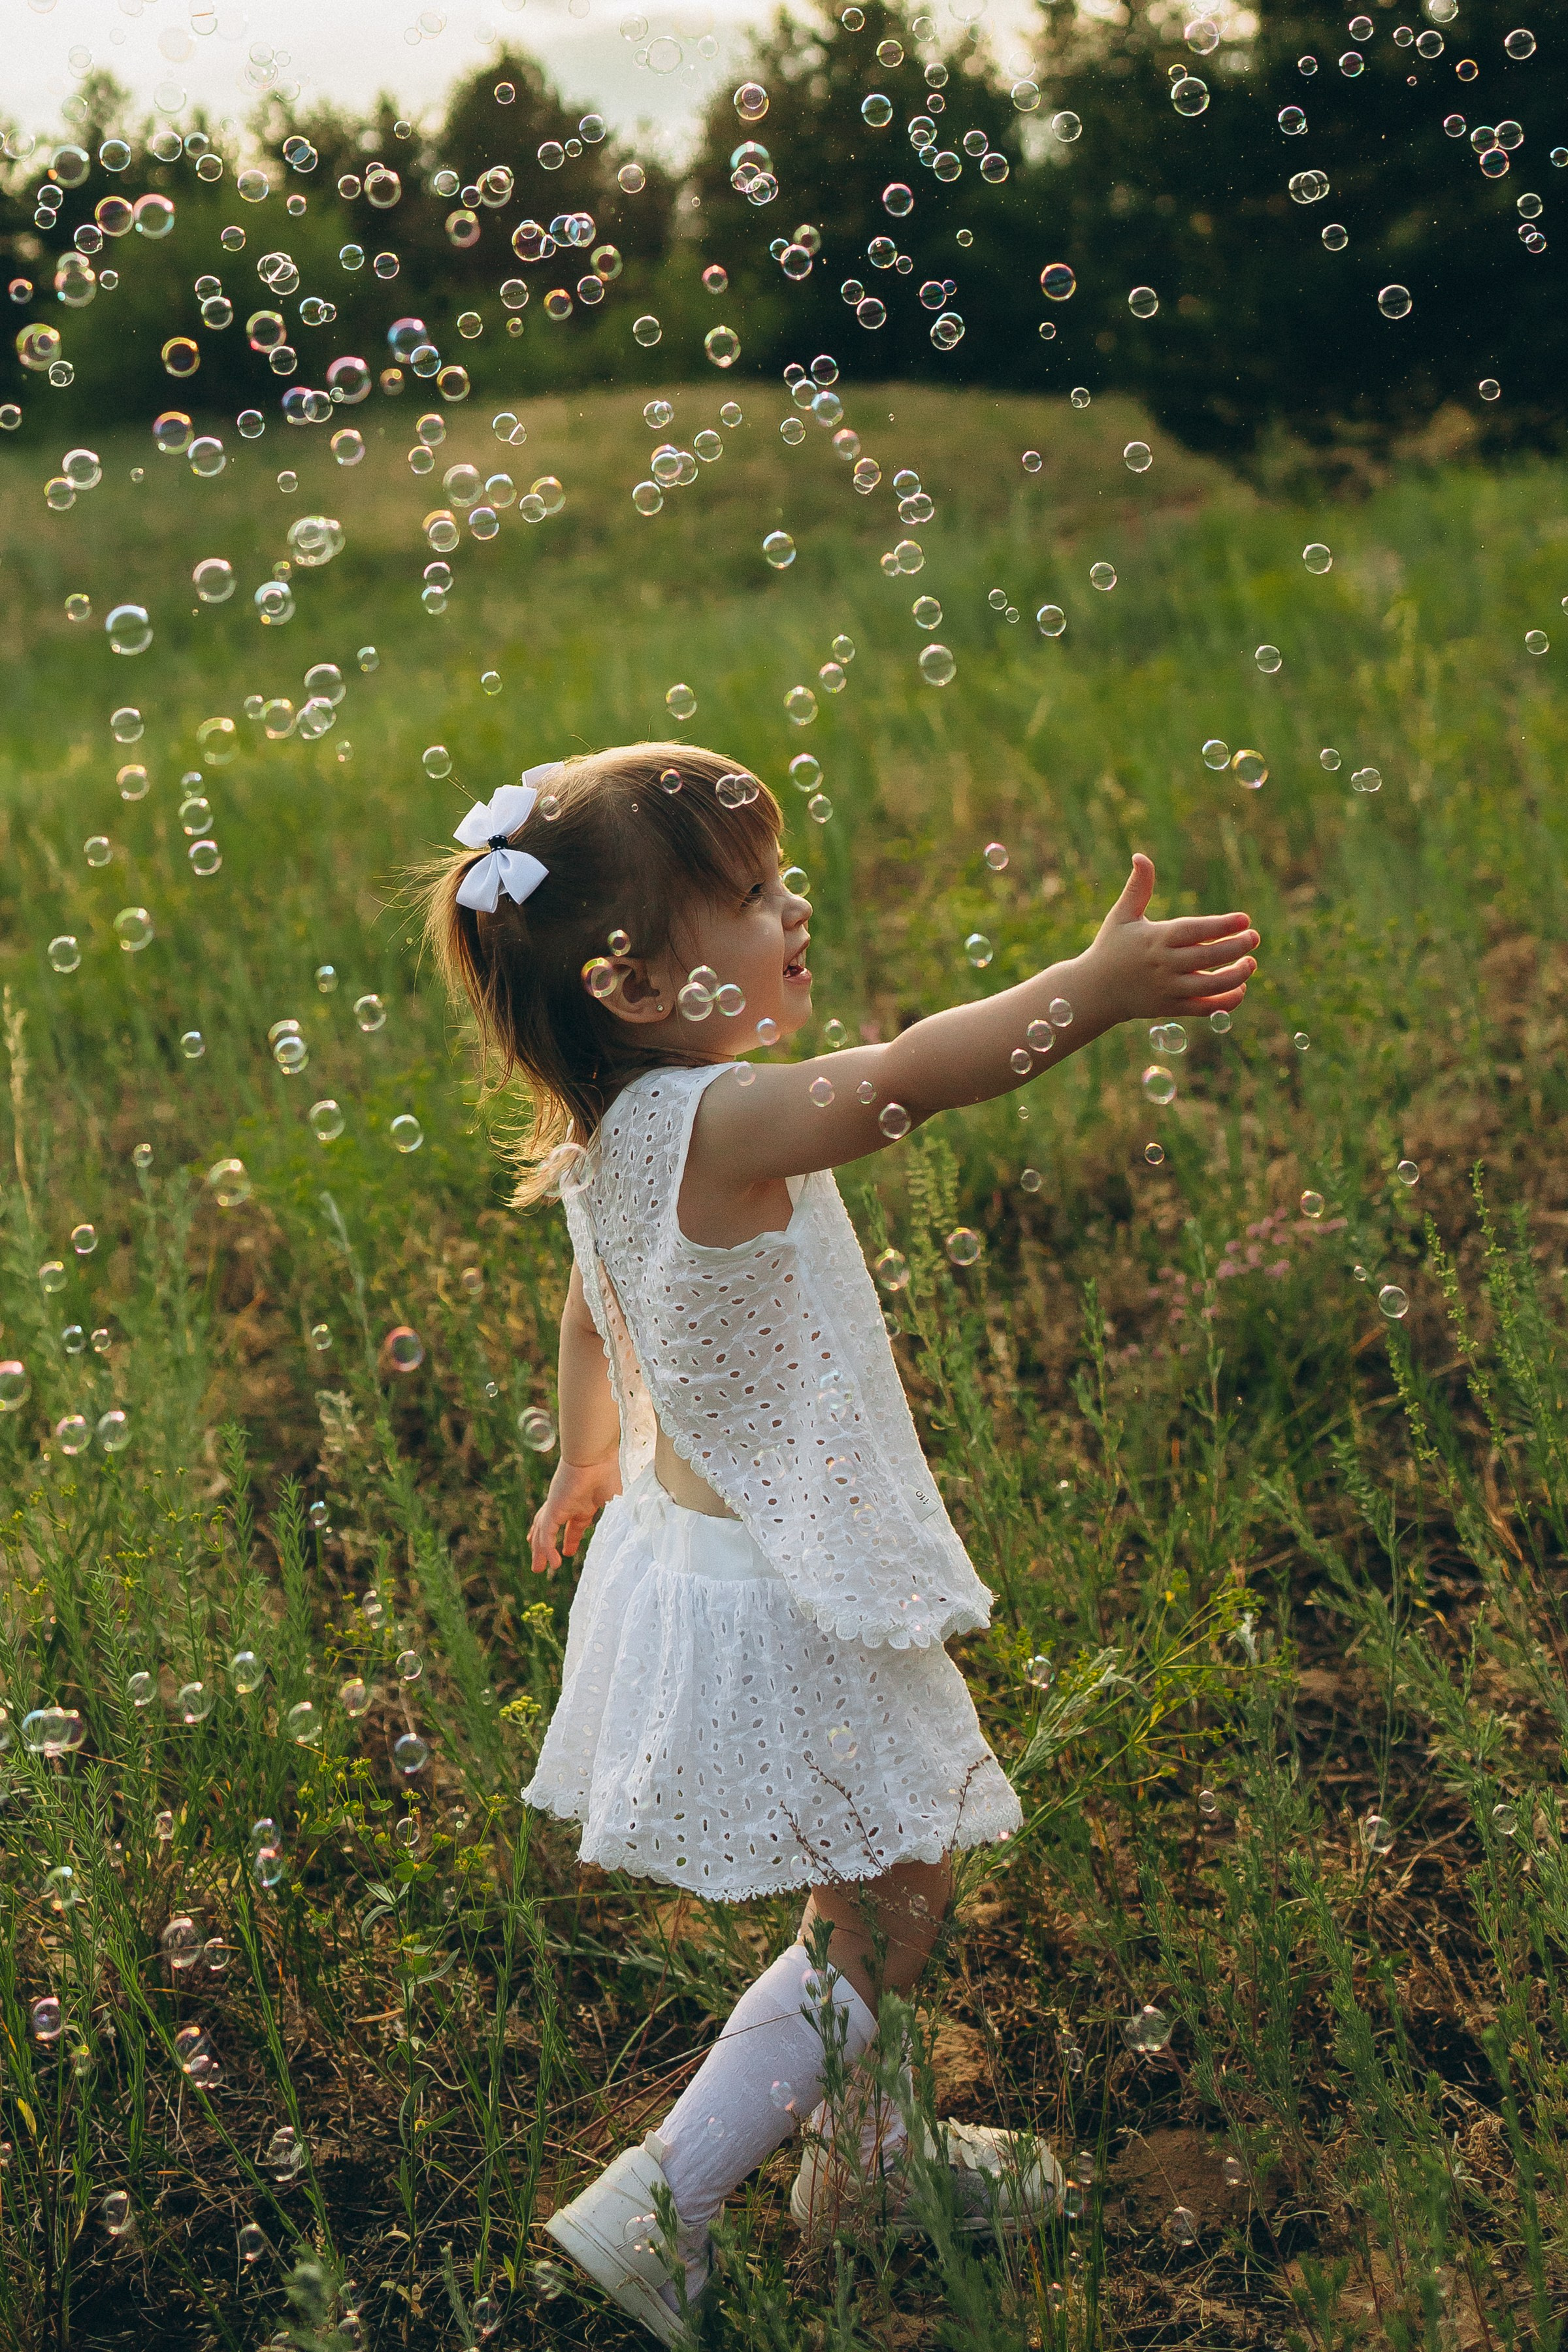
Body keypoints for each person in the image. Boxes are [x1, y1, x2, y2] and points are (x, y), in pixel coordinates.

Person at [421, 742, 1258, 2341]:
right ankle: (666, 2196)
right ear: (634, 985)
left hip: (702, 1559)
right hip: (793, 1583)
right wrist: (1091, 991)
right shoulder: (723, 1120)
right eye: (751, 896)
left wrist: (586, 1457)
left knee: (860, 1866)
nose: (793, 910)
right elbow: (916, 1072)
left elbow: (592, 1309)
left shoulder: (611, 1138)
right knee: (888, 1895)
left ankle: (866, 2160)